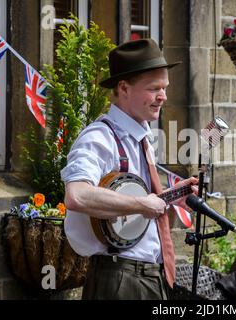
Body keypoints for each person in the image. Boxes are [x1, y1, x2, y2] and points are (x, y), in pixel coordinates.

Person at [61, 39, 197, 300]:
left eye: (165, 88)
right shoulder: (99, 138)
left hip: (148, 277)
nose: (163, 96)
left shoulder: (140, 139)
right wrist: (141, 205)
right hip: (119, 280)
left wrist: (171, 196)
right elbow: (76, 195)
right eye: (154, 88)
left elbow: (140, 200)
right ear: (123, 88)